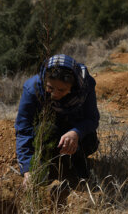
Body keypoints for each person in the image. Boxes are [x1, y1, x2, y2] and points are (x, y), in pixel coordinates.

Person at [15, 54, 100, 188]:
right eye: (50, 88)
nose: (55, 94)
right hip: (46, 134)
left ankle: (76, 160)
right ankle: (45, 163)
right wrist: (27, 169)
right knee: (47, 131)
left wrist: (76, 132)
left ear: (73, 86)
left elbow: (92, 119)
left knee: (90, 141)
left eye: (62, 90)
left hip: (74, 129)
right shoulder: (33, 89)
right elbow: (23, 129)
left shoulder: (85, 85)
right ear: (44, 80)